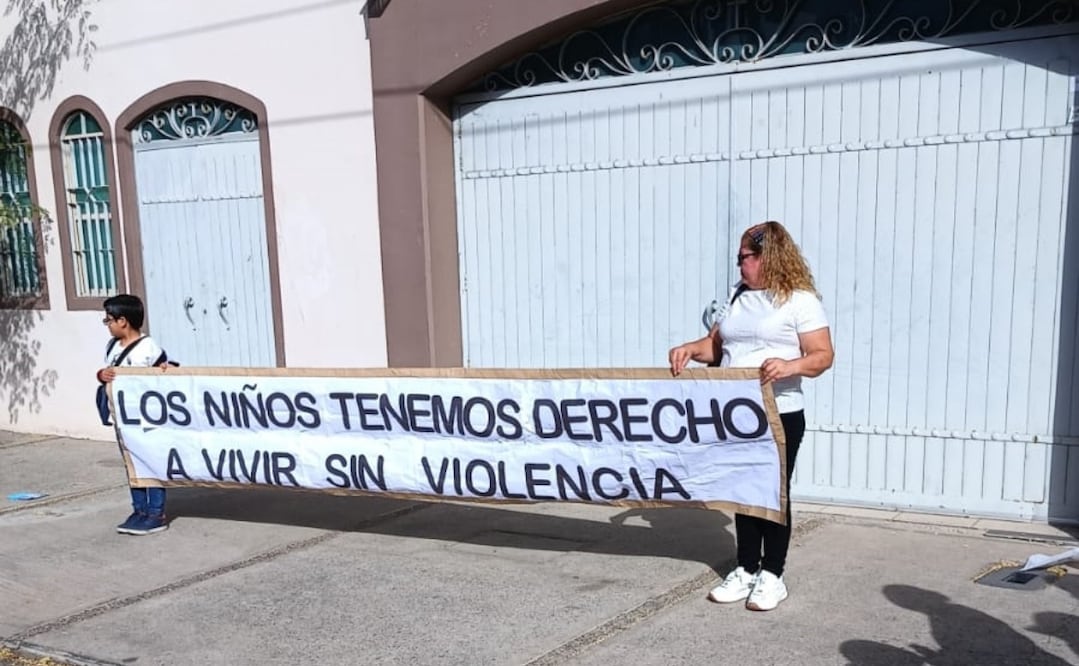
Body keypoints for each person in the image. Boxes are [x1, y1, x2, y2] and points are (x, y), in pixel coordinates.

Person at [668, 221, 834, 611]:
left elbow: (823, 355)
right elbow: (718, 347)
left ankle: (772, 575)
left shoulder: (799, 301)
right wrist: (691, 349)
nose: (739, 266)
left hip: (780, 411)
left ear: (767, 257)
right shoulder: (737, 296)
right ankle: (745, 568)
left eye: (744, 257)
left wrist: (790, 365)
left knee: (772, 491)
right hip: (737, 413)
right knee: (743, 489)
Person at [96, 294, 170, 536]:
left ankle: (156, 512)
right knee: (132, 464)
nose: (107, 325)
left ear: (123, 320)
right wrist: (101, 375)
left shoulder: (149, 348)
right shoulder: (112, 347)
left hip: (146, 419)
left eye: (109, 320)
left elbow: (166, 372)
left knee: (150, 463)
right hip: (122, 419)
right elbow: (107, 371)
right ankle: (139, 509)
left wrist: (166, 370)